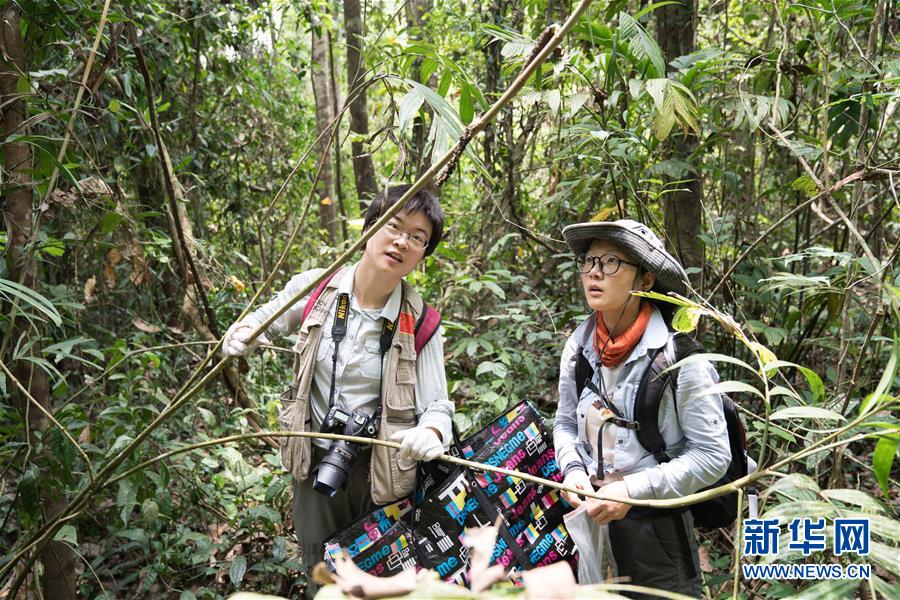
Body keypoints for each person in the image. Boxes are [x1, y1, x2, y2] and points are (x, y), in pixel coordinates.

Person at [222, 185, 454, 596]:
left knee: (380, 577)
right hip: (316, 460)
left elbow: (437, 406)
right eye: (394, 226)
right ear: (370, 228)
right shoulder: (317, 289)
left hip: (381, 469)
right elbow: (260, 324)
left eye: (418, 237)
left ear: (423, 254)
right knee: (323, 575)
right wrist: (241, 334)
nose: (402, 241)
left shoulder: (421, 320)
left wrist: (432, 433)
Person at [553, 219, 731, 597]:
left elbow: (713, 455)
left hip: (657, 529)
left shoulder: (681, 358)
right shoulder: (581, 344)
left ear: (646, 280)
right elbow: (565, 422)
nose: (595, 272)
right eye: (590, 260)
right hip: (590, 521)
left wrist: (631, 490)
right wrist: (571, 470)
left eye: (612, 262)